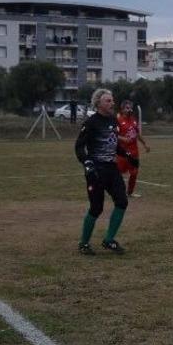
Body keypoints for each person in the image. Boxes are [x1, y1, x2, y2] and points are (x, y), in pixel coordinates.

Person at [75, 88, 133, 255]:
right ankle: (84, 243)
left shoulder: (114, 121)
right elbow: (79, 146)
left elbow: (113, 143)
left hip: (111, 168)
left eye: (112, 100)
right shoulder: (91, 122)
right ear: (98, 103)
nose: (112, 103)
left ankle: (109, 240)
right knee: (96, 208)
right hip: (96, 170)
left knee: (122, 202)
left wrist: (127, 154)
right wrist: (87, 163)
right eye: (108, 101)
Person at [115, 100, 150, 197]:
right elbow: (114, 135)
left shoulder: (133, 120)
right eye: (127, 107)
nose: (129, 109)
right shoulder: (118, 121)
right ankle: (118, 192)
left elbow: (137, 134)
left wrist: (145, 144)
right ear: (122, 110)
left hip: (134, 152)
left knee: (134, 173)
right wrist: (123, 138)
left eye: (130, 107)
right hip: (122, 152)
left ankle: (130, 192)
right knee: (119, 173)